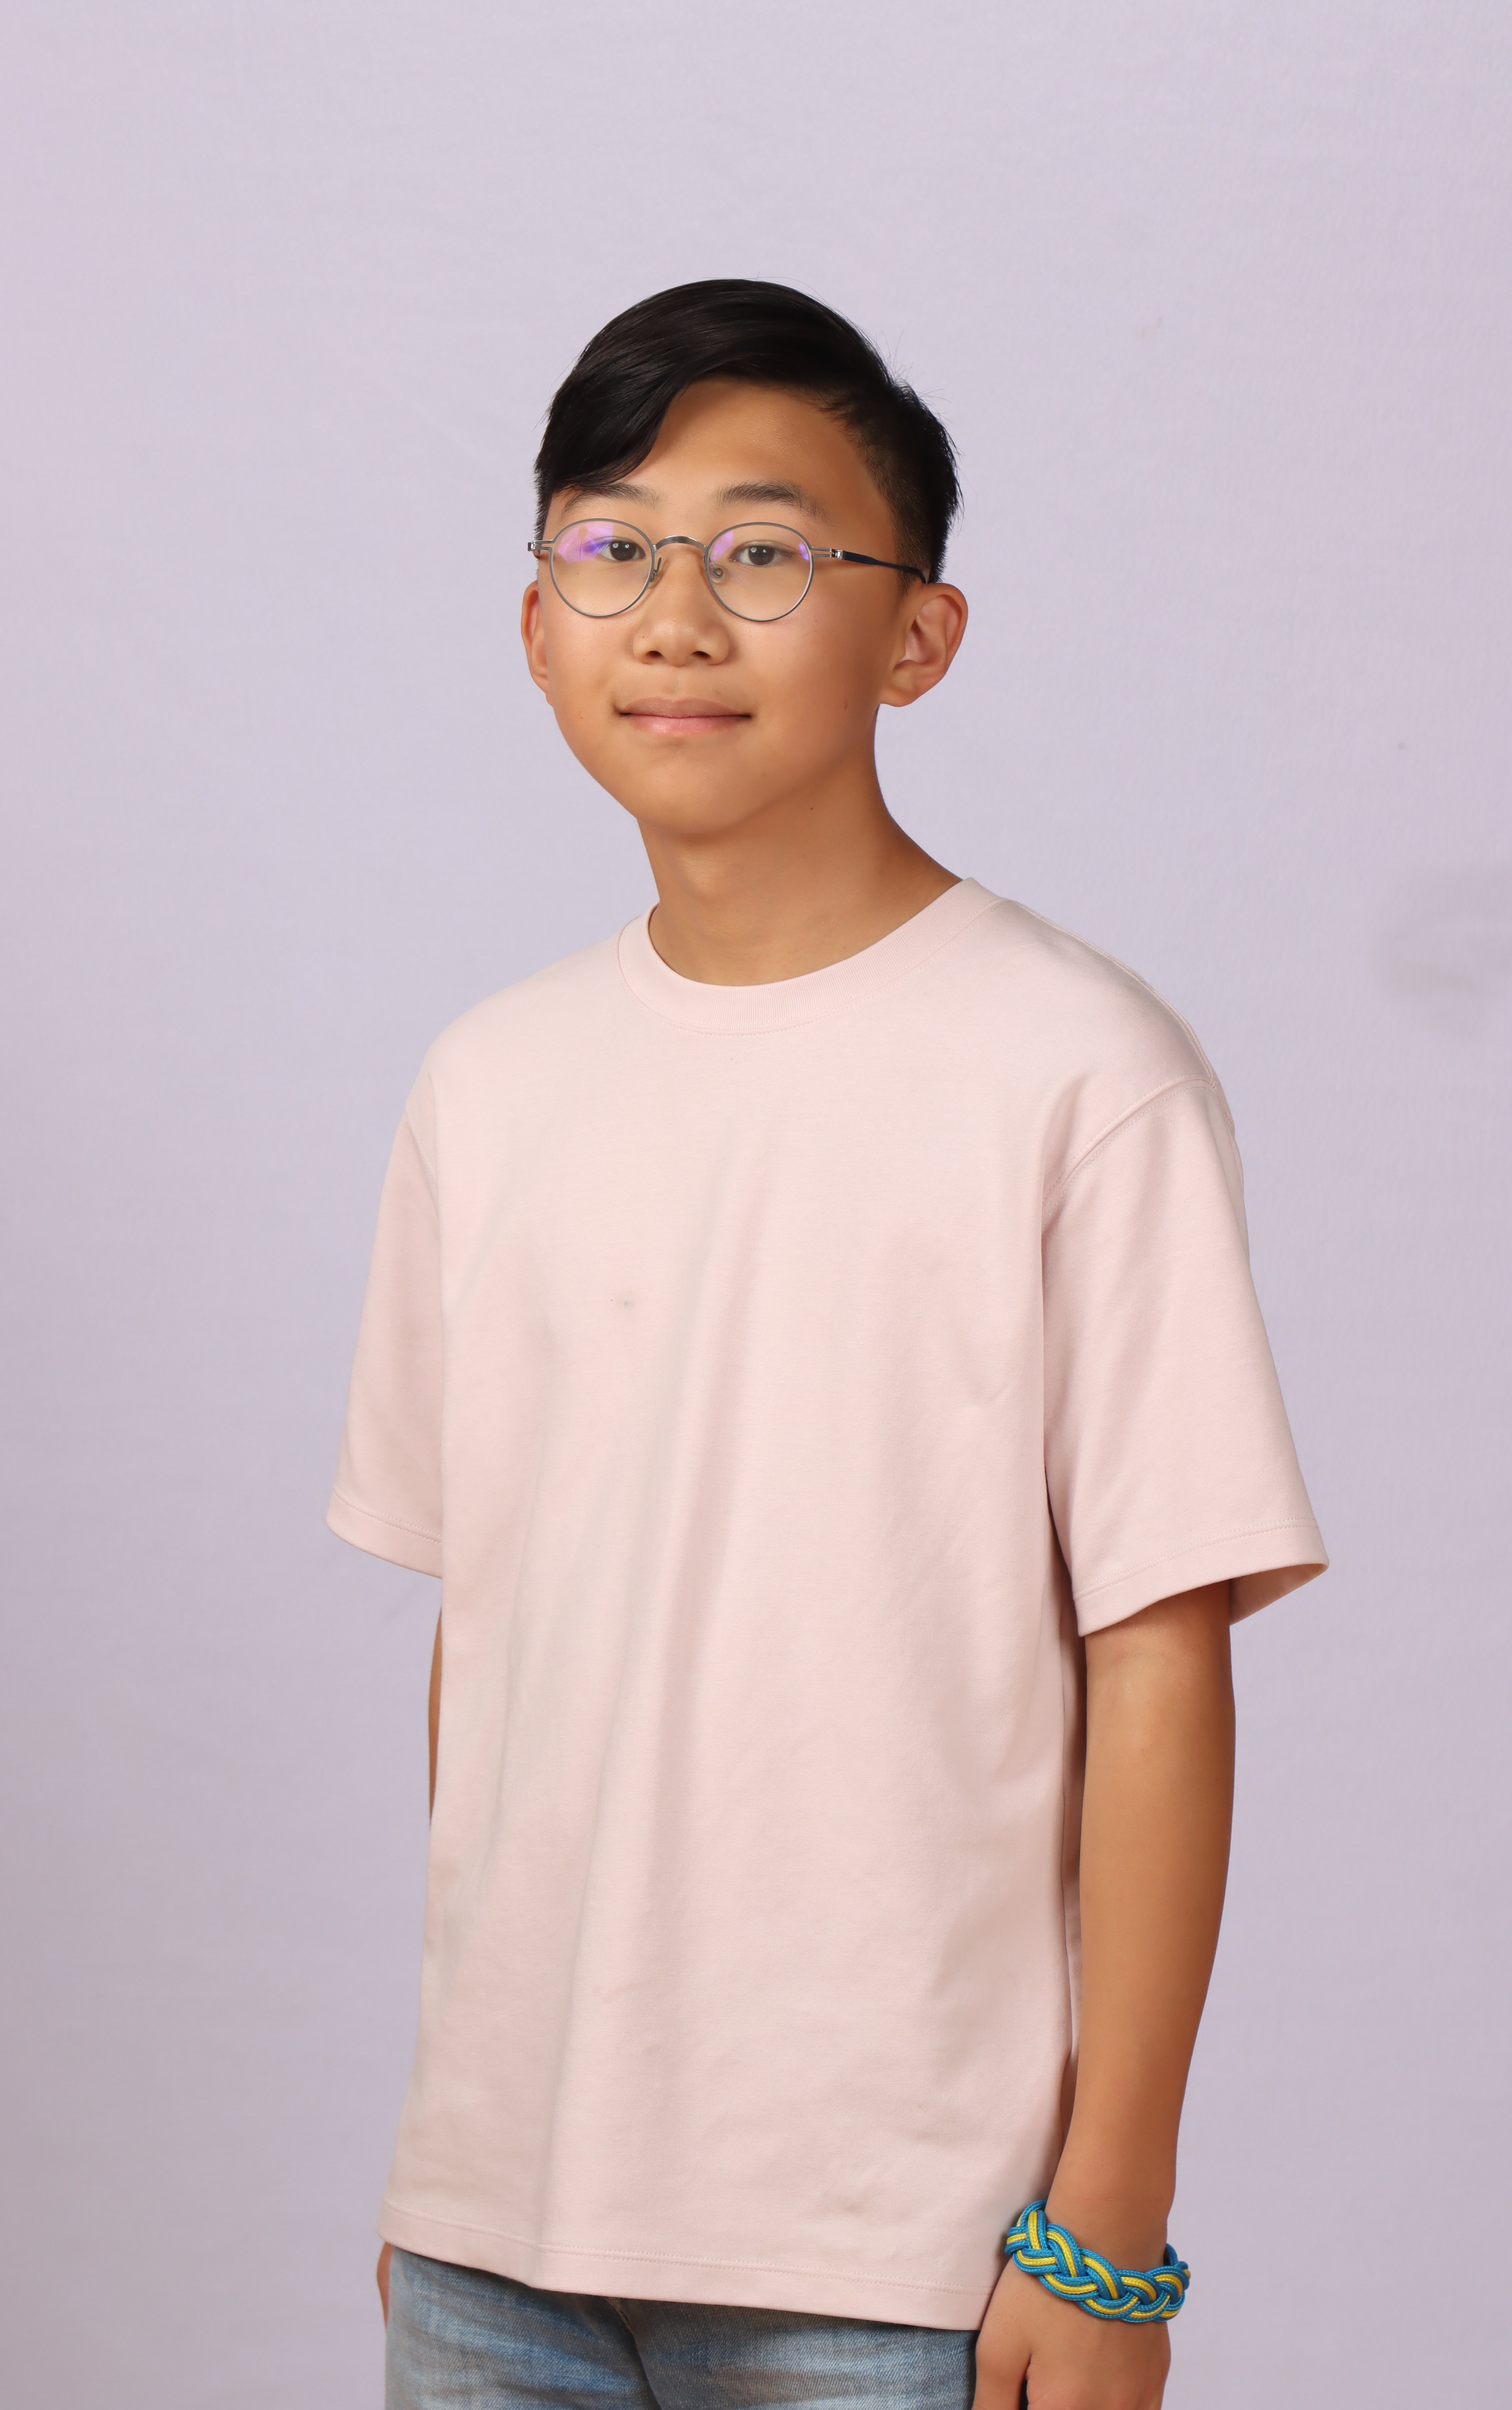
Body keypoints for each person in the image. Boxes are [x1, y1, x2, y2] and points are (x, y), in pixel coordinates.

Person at [329, 279, 1326, 2410]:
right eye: (611, 548)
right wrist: (460, 2144)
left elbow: (1158, 1655)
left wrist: (1109, 2231)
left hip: (898, 2260)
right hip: (495, 2251)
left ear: (916, 637)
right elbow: (488, 1636)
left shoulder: (1079, 1071)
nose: (676, 618)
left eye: (765, 552)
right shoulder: (487, 1083)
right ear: (535, 628)